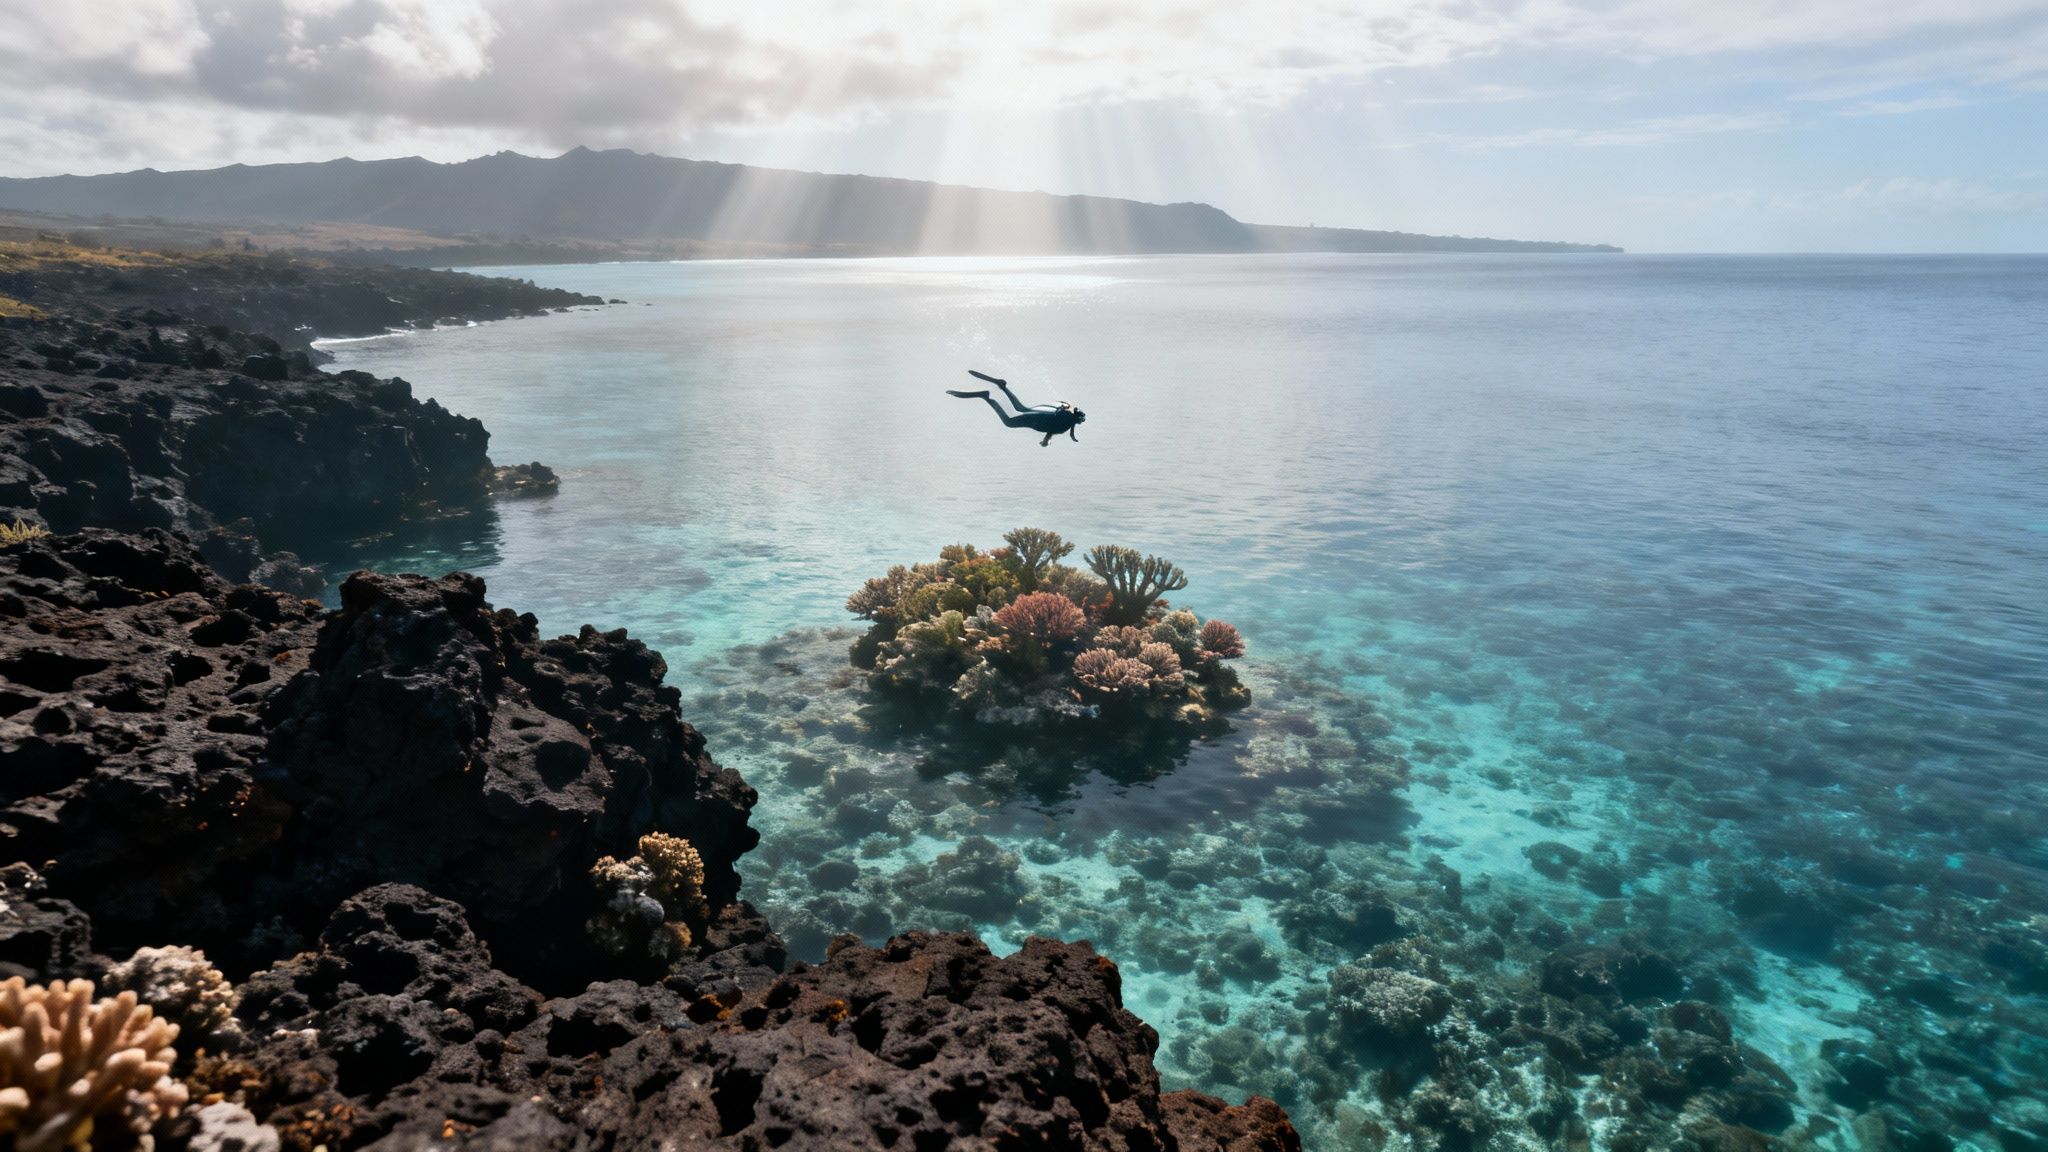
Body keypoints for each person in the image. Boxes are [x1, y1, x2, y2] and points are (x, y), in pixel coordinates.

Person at [947, 370, 1087, 446]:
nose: (1080, 423)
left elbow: (1051, 430)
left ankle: (1002, 386)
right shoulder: (1065, 423)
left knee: (1020, 408)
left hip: (1037, 420)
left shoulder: (1066, 423)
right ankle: (986, 396)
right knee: (1010, 420)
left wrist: (1045, 441)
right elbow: (1053, 427)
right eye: (1080, 421)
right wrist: (1046, 440)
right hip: (1037, 419)